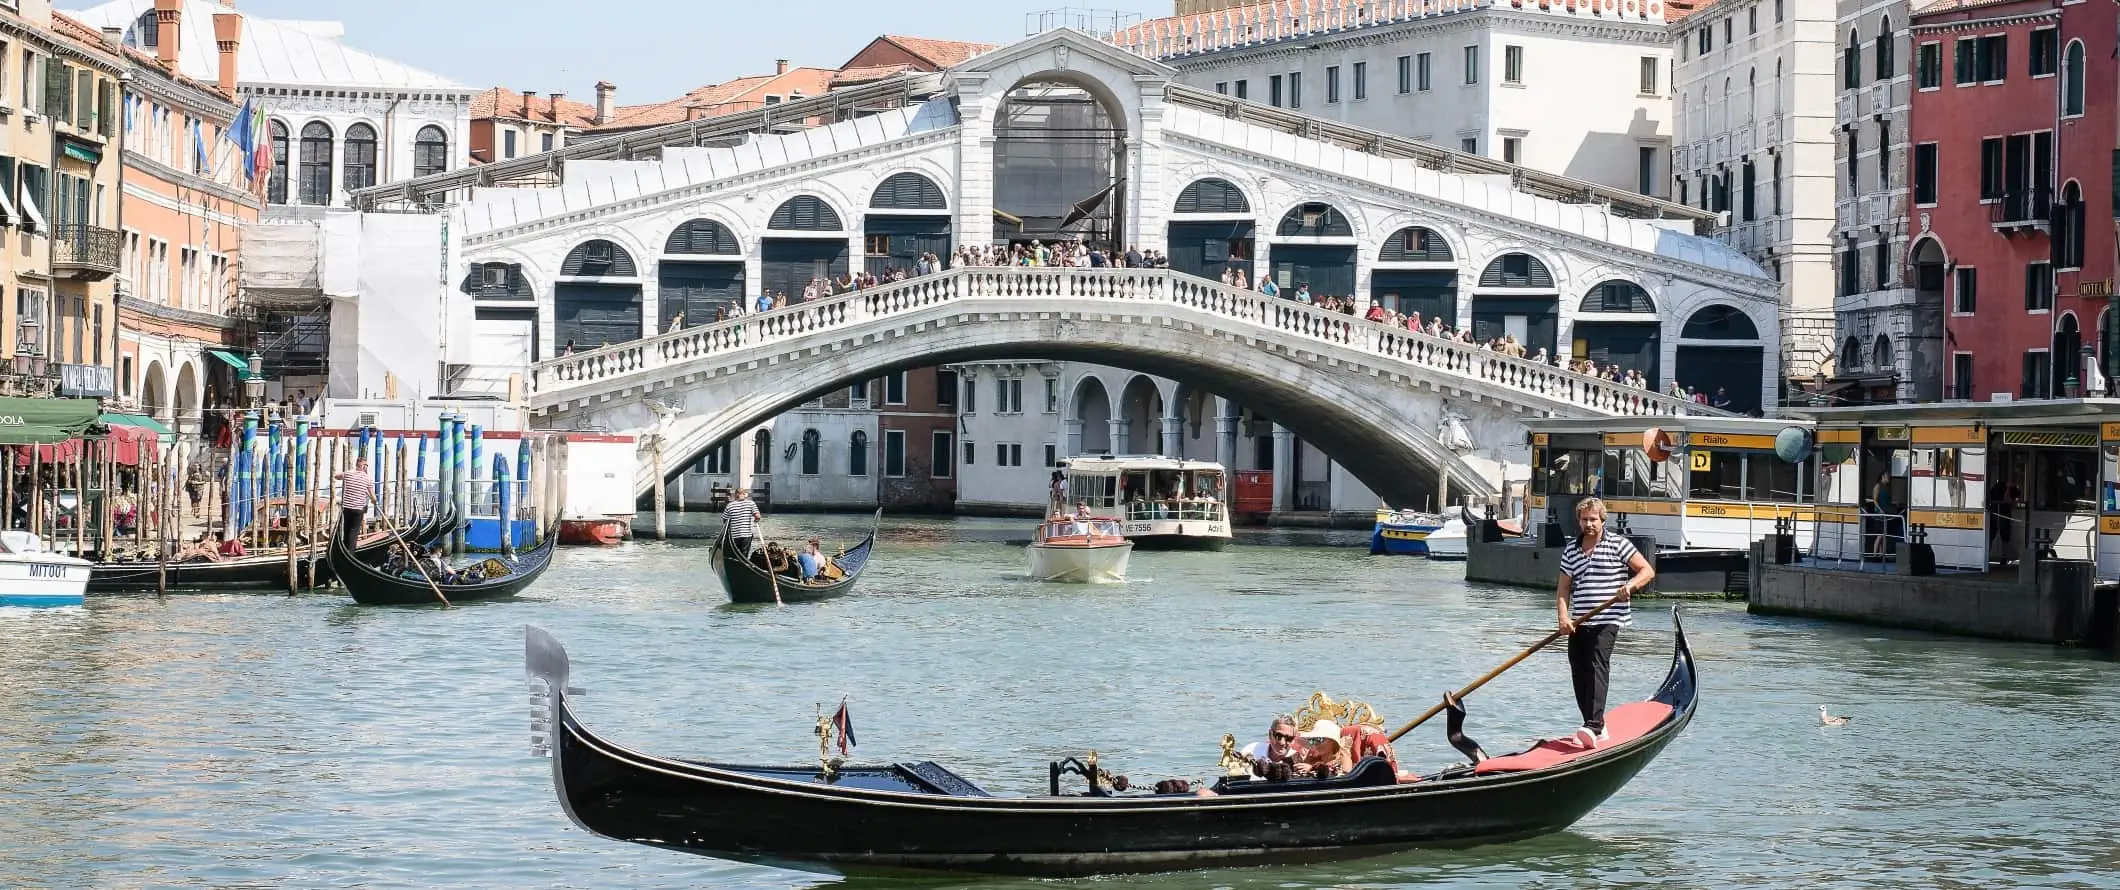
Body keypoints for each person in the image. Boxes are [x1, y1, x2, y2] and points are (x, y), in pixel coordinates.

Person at [1556, 497, 1655, 749]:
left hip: (1609, 618)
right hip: (1580, 621)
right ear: (1578, 521)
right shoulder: (1571, 550)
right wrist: (1564, 617)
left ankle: (1593, 725)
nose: (1588, 524)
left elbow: (1647, 571)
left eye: (1593, 519)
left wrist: (1629, 586)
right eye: (1584, 519)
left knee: (1596, 665)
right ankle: (1594, 724)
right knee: (1578, 669)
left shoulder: (1618, 544)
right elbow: (1563, 588)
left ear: (1602, 520)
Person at [1238, 716, 1304, 776]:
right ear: (1270, 734)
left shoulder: (1298, 760)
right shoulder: (1251, 750)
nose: (1282, 742)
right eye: (1278, 736)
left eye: (1289, 738)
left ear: (1294, 739)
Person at [333, 455, 373, 548]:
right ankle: (350, 553)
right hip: (358, 510)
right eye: (366, 465)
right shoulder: (367, 478)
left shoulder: (348, 474)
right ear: (363, 466)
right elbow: (373, 495)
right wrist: (374, 501)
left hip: (347, 508)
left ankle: (345, 550)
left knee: (347, 530)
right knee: (353, 532)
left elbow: (336, 476)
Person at [723, 488, 762, 557]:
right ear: (744, 495)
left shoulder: (730, 505)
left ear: (735, 495)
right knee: (744, 555)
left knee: (735, 554)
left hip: (734, 535)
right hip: (746, 535)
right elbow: (758, 516)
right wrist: (756, 520)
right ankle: (743, 564)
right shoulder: (750, 503)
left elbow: (725, 520)